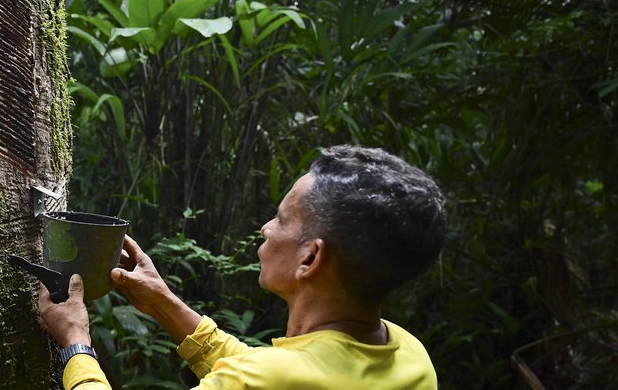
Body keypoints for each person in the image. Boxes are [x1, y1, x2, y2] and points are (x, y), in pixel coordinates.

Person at [39, 145, 447, 389]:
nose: (267, 229)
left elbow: (259, 377)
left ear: (311, 258)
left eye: (282, 219)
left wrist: (76, 342)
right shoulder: (412, 357)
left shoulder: (258, 379)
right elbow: (272, 373)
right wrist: (164, 303)